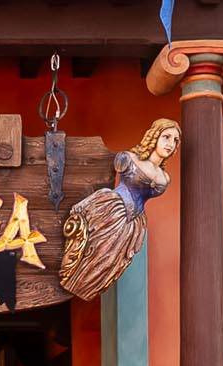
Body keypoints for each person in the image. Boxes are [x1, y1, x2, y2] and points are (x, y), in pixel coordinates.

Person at [57, 119, 180, 299]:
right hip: (113, 209)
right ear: (154, 136)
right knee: (94, 247)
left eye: (175, 140)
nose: (170, 143)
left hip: (133, 224)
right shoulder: (128, 158)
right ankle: (73, 278)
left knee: (112, 260)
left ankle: (88, 286)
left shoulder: (165, 177)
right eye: (166, 137)